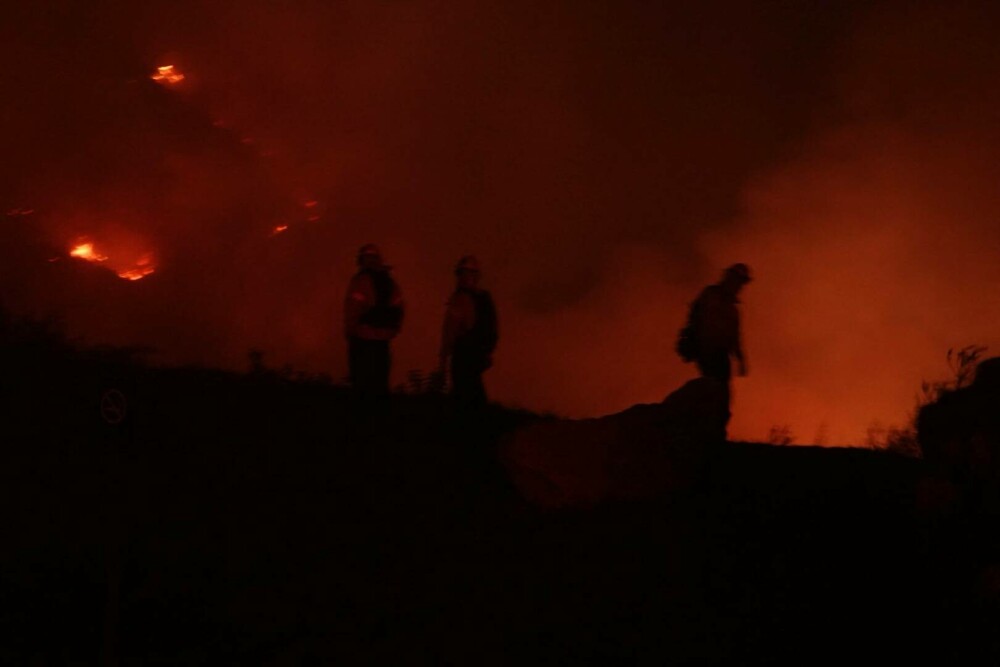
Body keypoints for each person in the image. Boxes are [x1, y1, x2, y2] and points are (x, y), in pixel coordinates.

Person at [343, 244, 404, 397]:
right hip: (383, 343)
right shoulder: (390, 283)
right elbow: (399, 309)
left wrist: (350, 331)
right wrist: (392, 331)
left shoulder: (361, 281)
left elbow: (353, 308)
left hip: (362, 340)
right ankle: (380, 417)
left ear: (361, 260)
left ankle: (363, 418)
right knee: (380, 385)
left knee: (361, 386)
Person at [438, 255, 498, 408]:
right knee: (475, 397)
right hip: (478, 356)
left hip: (464, 356)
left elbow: (449, 332)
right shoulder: (484, 299)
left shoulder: (460, 299)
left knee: (463, 400)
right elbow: (491, 329)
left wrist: (443, 362)